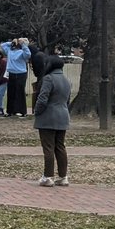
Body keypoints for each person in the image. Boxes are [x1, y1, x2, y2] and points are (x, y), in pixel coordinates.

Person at [32, 54, 71, 186]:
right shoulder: (66, 80)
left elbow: (43, 98)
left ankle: (48, 176)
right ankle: (63, 176)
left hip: (48, 116)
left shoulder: (48, 78)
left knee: (48, 147)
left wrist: (36, 112)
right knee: (60, 146)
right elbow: (68, 100)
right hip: (63, 115)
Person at [0, 37, 32, 117]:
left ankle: (22, 111)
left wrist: (22, 44)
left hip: (21, 74)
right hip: (11, 73)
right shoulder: (9, 51)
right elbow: (3, 45)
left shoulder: (22, 52)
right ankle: (10, 111)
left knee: (20, 92)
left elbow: (28, 54)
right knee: (11, 93)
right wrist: (12, 42)